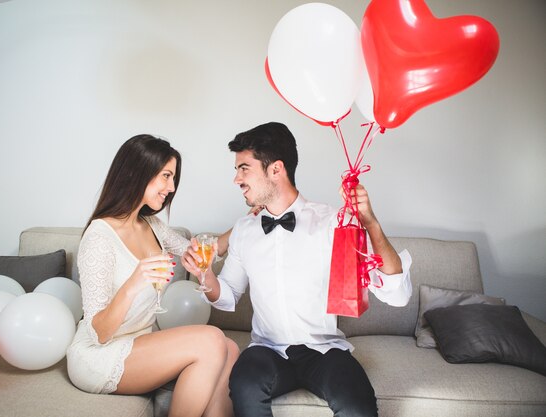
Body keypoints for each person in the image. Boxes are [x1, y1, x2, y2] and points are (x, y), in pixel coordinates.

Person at [181, 122, 412, 417]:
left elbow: (397, 295)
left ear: (276, 169)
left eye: (244, 168)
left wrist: (371, 222)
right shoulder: (244, 229)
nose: (236, 178)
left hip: (324, 350)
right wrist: (205, 275)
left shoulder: (333, 223)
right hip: (267, 350)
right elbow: (227, 296)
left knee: (358, 405)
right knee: (244, 385)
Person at [66, 134, 239, 417]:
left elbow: (207, 251)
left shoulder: (151, 224)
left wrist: (246, 222)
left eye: (173, 179)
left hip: (138, 341)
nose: (171, 188)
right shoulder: (99, 236)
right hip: (100, 354)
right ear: (138, 173)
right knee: (212, 339)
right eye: (166, 176)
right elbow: (99, 332)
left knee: (230, 349)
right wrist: (133, 284)